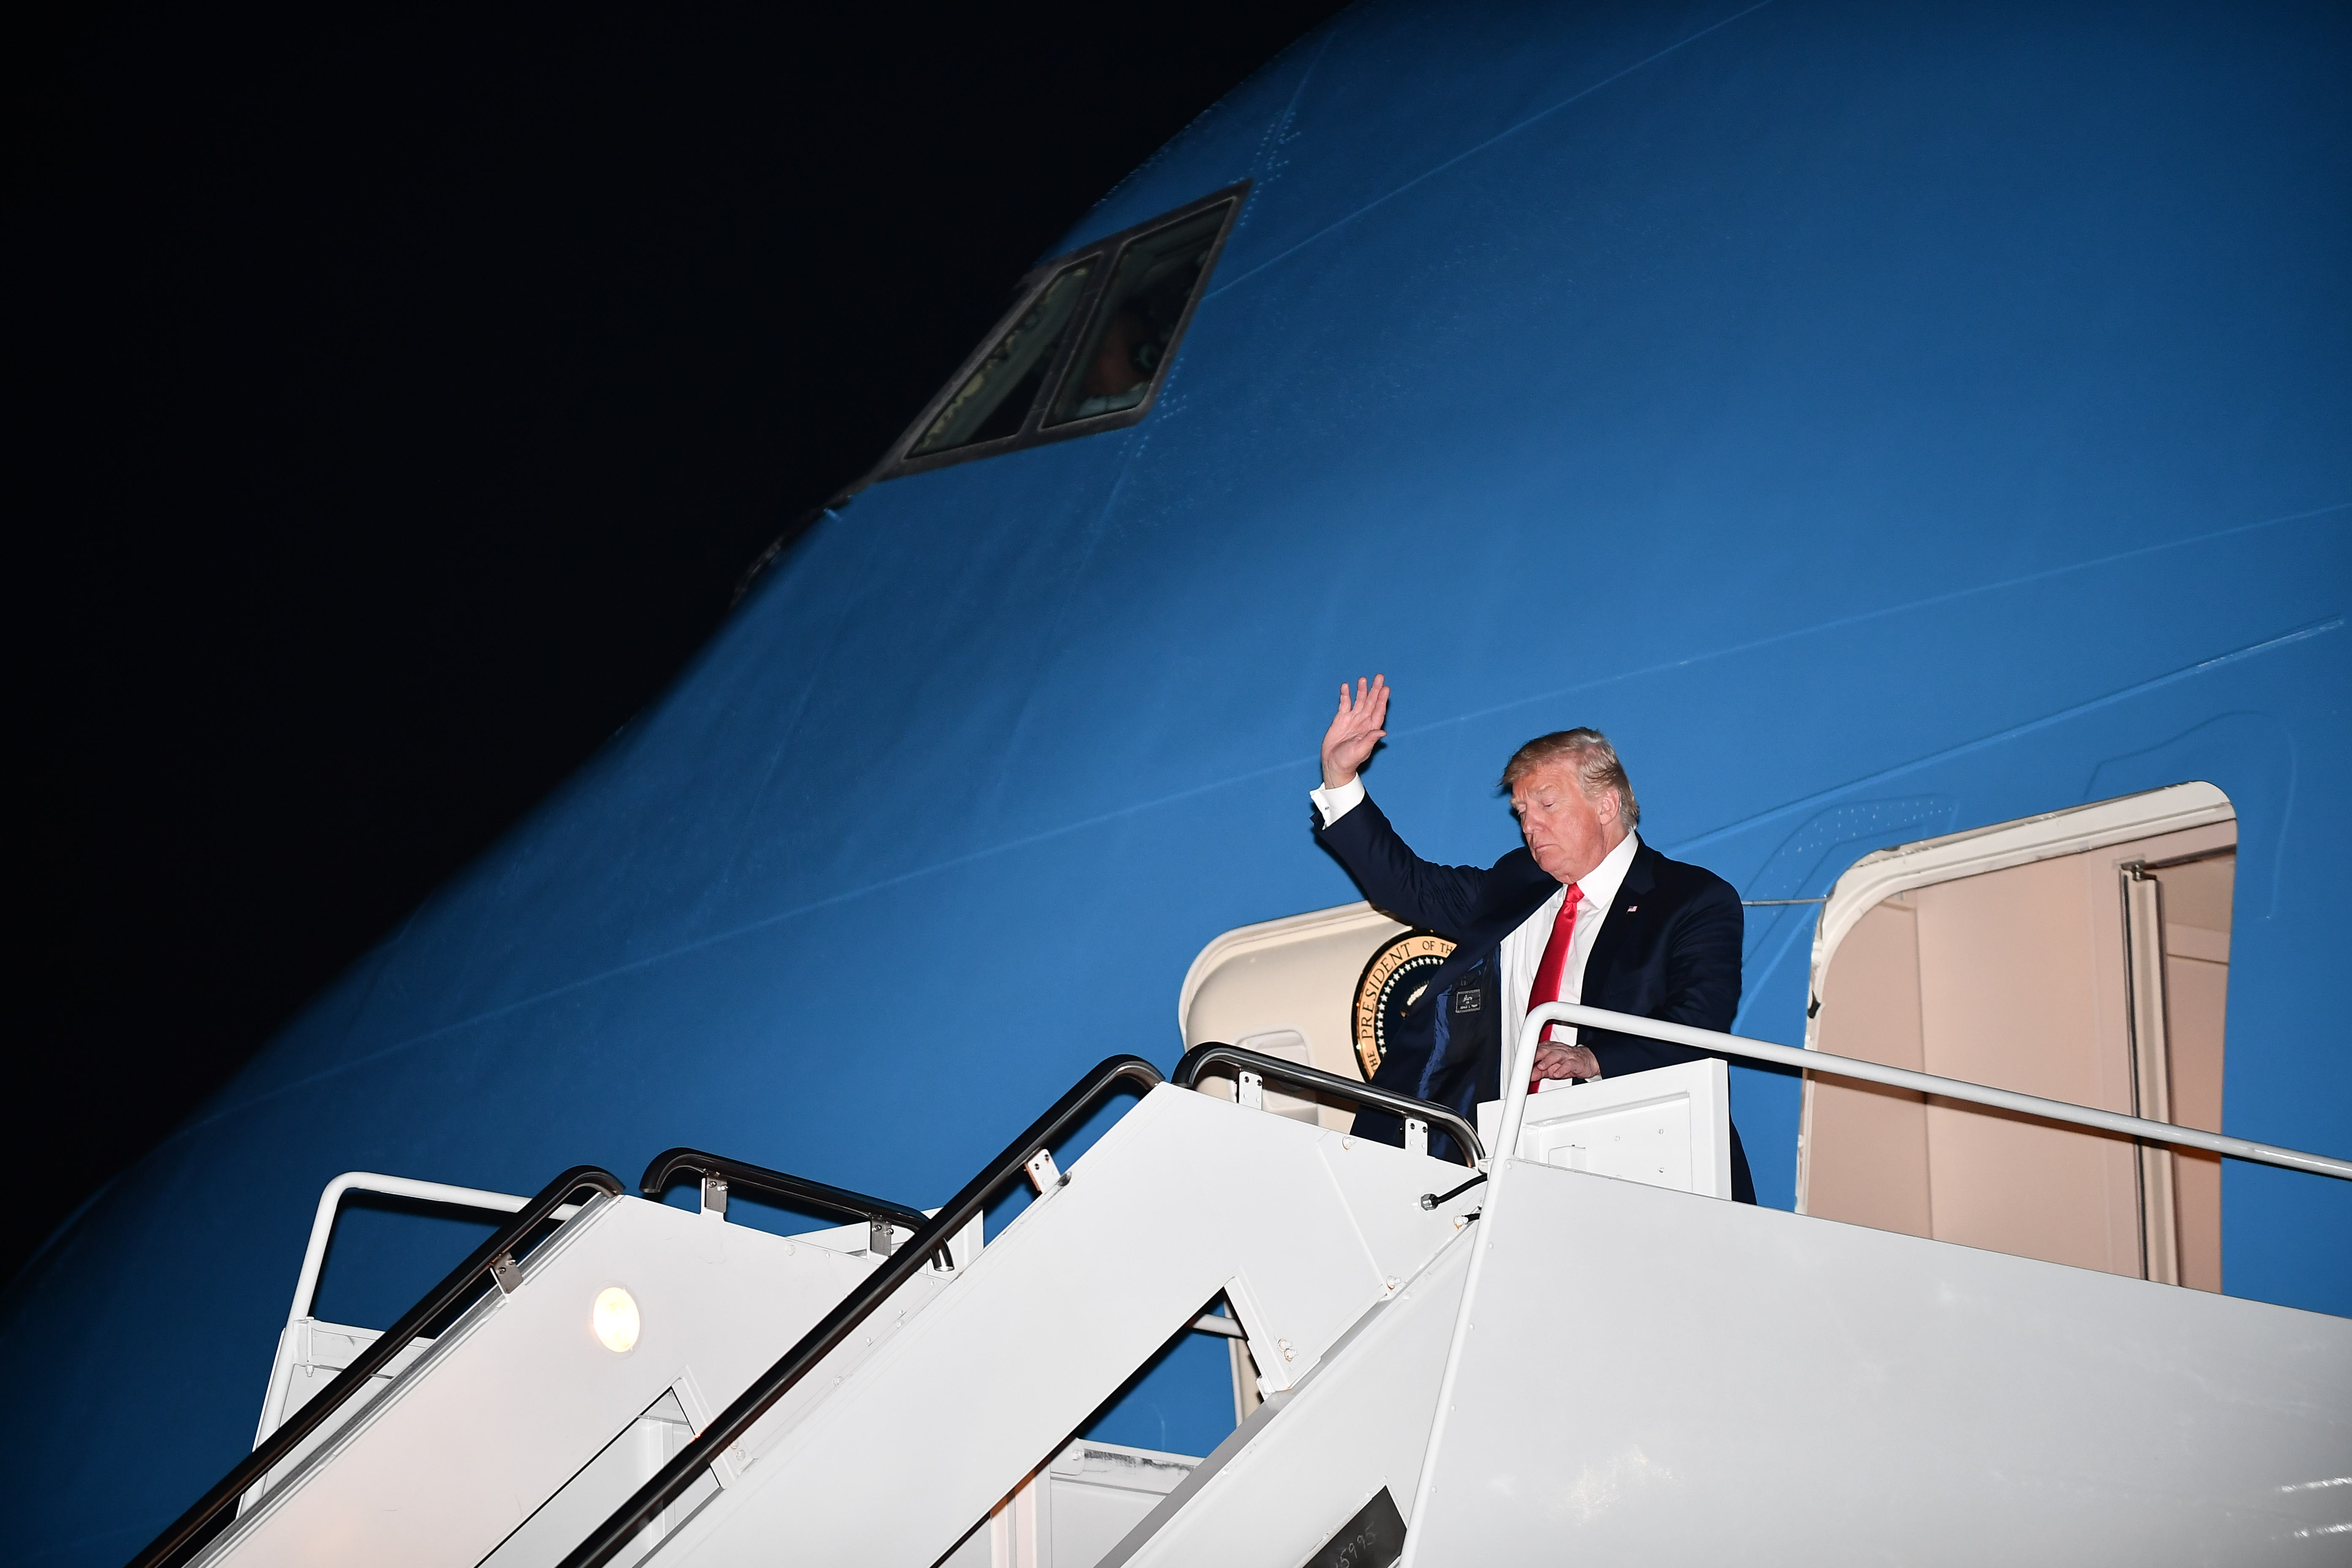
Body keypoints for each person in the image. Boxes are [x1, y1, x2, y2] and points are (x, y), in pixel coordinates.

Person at [1312, 674, 1756, 1203]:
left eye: (1546, 805)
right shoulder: (1515, 883)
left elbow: (1700, 1026)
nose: (1529, 826)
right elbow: (1407, 886)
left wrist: (1593, 1057)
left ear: (1607, 805)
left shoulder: (1692, 899)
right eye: (1522, 812)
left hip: (1639, 1163)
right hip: (1502, 1160)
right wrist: (1340, 776)